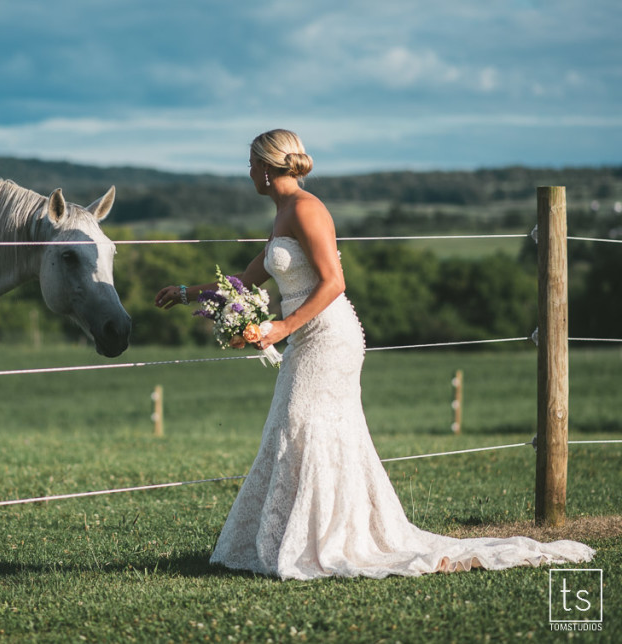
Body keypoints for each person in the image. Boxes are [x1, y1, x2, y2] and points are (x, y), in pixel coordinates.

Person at [154, 129, 594, 579]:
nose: (247, 172)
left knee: (300, 424)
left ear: (267, 167)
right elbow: (246, 279)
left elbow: (333, 282)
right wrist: (189, 291)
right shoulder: (282, 213)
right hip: (305, 339)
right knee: (294, 428)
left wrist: (282, 325)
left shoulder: (307, 209)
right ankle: (299, 535)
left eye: (250, 163)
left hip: (328, 337)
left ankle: (330, 540)